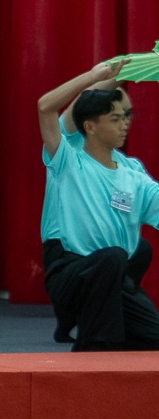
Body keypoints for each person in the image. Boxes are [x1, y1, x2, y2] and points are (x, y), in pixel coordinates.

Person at [38, 62, 159, 351]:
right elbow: (50, 107)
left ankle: (112, 315)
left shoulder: (132, 172)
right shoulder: (69, 156)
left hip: (108, 263)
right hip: (70, 262)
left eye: (126, 116)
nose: (125, 123)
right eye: (116, 117)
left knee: (136, 252)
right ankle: (93, 340)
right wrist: (100, 77)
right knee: (113, 257)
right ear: (91, 126)